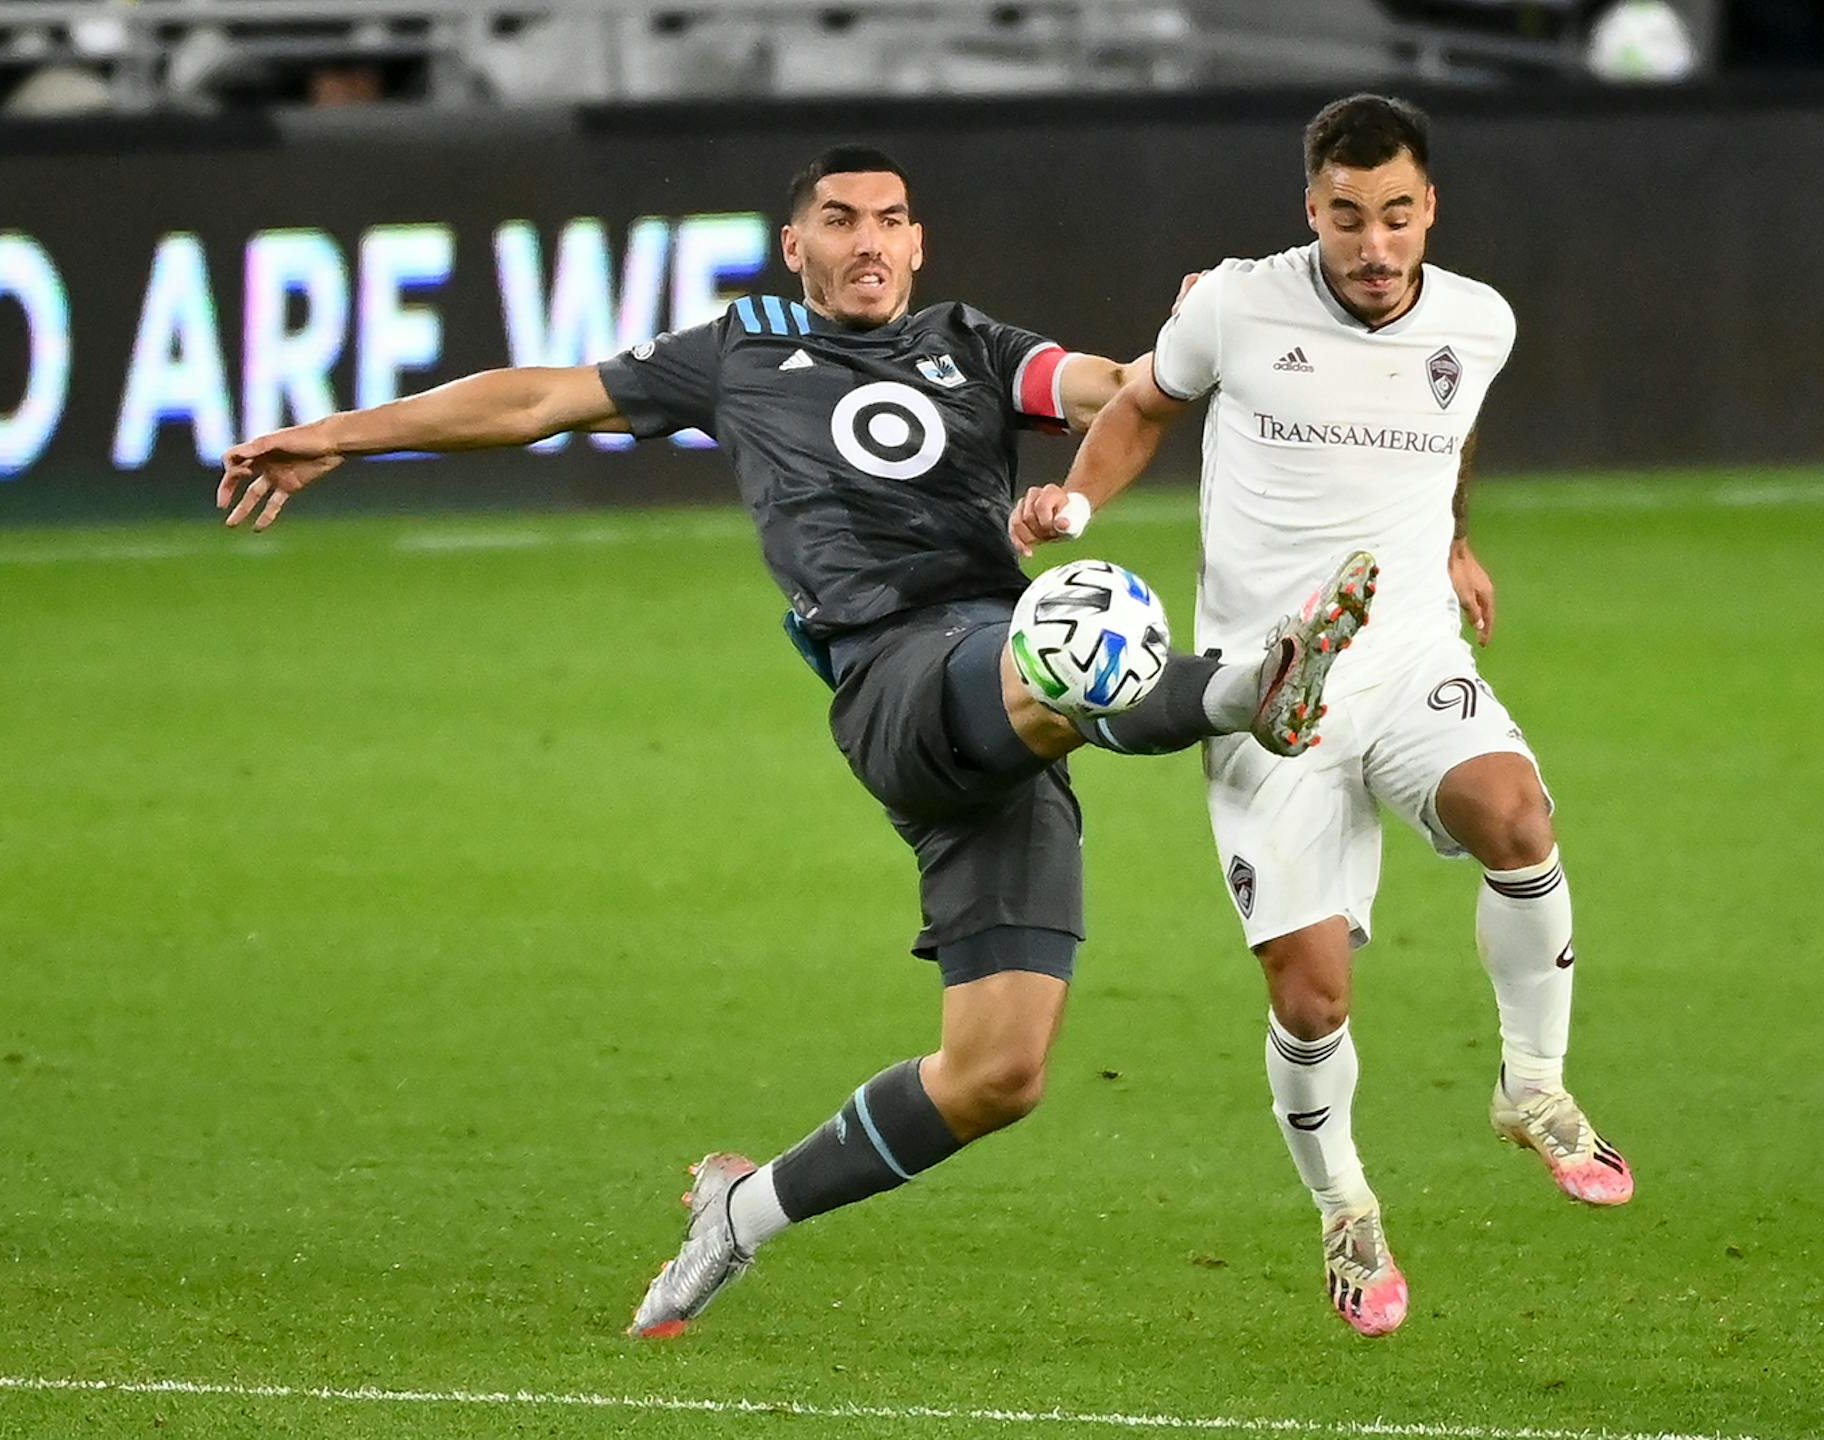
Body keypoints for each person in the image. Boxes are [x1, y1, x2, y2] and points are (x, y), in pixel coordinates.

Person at [216, 145, 1375, 1336]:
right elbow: (536, 400)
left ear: (918, 245)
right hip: (893, 674)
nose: (868, 242)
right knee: (1080, 631)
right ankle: (1247, 688)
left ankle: (743, 1210)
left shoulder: (972, 346)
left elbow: (1120, 390)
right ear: (796, 246)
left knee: (996, 1075)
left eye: (890, 221)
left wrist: (1202, 341)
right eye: (840, 221)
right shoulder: (741, 352)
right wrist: (341, 435)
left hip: (1000, 717)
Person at [1010, 95, 1632, 1340]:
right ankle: (1346, 1206)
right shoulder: (1235, 304)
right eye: (1347, 217)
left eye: (1396, 215)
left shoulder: (1478, 321)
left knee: (1516, 816)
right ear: (1313, 211)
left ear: (1428, 210)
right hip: (1262, 686)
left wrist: (1451, 542)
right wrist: (1076, 506)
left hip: (1404, 653)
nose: (1374, 244)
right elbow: (1138, 405)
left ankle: (1536, 1084)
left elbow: (1444, 433)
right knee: (1312, 1000)